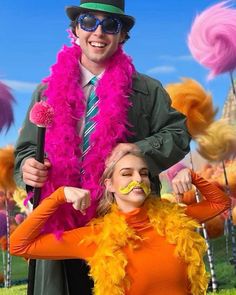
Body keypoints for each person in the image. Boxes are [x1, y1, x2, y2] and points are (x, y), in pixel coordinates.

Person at [14, 0, 191, 294]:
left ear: (122, 36)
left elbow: (178, 133)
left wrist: (134, 153)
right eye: (88, 21)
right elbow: (26, 151)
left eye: (110, 25)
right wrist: (27, 169)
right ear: (75, 30)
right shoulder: (45, 92)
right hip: (65, 221)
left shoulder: (147, 90)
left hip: (125, 220)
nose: (99, 32)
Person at [10, 151, 231, 295]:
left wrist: (192, 175)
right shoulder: (96, 236)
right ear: (110, 185)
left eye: (143, 174)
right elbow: (19, 245)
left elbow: (220, 203)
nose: (138, 179)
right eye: (127, 174)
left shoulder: (175, 219)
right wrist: (58, 196)